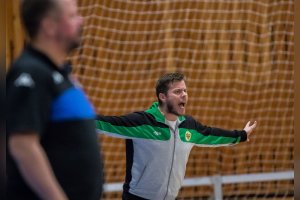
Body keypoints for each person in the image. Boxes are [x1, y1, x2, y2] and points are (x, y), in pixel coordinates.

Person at [96, 72, 257, 200]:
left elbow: (211, 134)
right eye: (178, 91)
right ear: (162, 96)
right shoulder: (143, 122)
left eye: (185, 91)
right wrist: (75, 120)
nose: (184, 95)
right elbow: (106, 123)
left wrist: (241, 135)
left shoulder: (189, 126)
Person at [6, 0, 103, 199]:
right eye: (72, 15)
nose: (81, 20)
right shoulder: (31, 73)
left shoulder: (60, 76)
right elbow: (22, 145)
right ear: (49, 26)